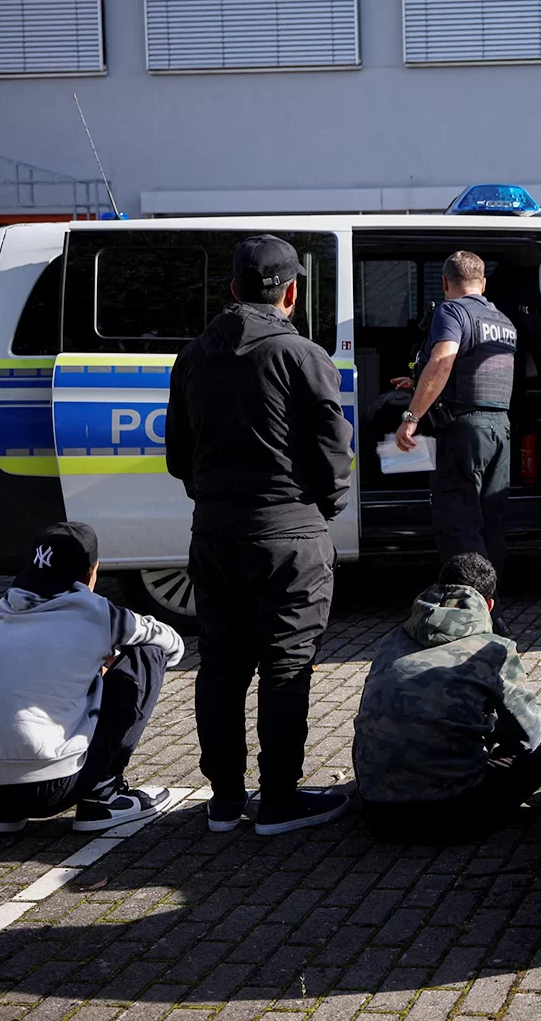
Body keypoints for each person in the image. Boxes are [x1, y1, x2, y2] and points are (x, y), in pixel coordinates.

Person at [166, 234, 354, 836]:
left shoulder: (193, 356)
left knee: (220, 664)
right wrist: (327, 505)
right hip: (290, 536)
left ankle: (223, 801)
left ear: (232, 289)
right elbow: (332, 448)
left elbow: (177, 457)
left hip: (216, 534)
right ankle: (278, 800)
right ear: (291, 292)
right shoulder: (302, 355)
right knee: (286, 665)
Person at [0, 523, 184, 835]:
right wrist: (107, 660)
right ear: (92, 572)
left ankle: (7, 815)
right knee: (148, 653)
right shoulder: (98, 612)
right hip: (50, 788)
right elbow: (170, 642)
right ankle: (104, 796)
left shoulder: (4, 610)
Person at [352, 553, 541, 842]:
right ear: (490, 605)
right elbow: (527, 736)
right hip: (456, 815)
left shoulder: (391, 640)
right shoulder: (494, 649)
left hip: (377, 814)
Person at [394, 252, 519, 571]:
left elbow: (443, 362)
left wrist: (411, 418)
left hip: (464, 431)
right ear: (483, 283)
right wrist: (418, 383)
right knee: (491, 525)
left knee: (459, 525)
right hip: (499, 429)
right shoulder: (502, 320)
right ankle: (492, 608)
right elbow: (475, 370)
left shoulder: (451, 310)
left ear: (445, 282)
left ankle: (467, 611)